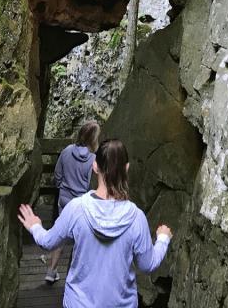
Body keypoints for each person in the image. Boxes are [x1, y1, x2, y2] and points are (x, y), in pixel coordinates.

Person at [18, 139, 173, 307]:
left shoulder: (76, 209)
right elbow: (147, 264)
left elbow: (48, 242)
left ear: (95, 166)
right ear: (126, 169)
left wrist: (35, 226)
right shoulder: (136, 218)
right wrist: (163, 239)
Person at [44, 120, 101, 283]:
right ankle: (75, 276)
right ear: (93, 139)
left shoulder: (67, 151)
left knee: (61, 235)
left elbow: (57, 175)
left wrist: (63, 187)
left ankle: (51, 270)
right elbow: (93, 185)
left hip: (64, 199)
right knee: (80, 239)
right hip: (81, 203)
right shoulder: (93, 160)